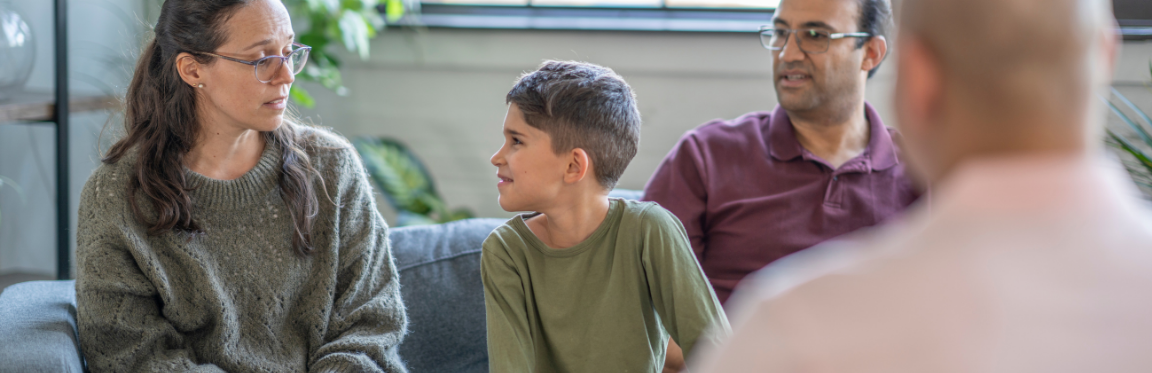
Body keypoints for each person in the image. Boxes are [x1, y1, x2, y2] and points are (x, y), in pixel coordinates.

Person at [692, 0, 1149, 371]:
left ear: (912, 72)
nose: (788, 53)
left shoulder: (793, 326)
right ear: (1106, 53)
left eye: (815, 34)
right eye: (781, 33)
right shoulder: (706, 153)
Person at [75, 0, 407, 371]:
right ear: (192, 68)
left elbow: (372, 324)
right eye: (262, 59)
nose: (286, 76)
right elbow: (134, 357)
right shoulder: (116, 197)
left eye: (289, 52)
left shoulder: (333, 167)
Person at [482, 60, 730, 372]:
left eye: (516, 141)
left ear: (574, 166)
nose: (497, 156)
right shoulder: (505, 251)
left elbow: (719, 352)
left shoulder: (650, 230)